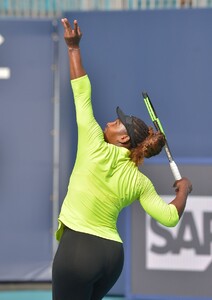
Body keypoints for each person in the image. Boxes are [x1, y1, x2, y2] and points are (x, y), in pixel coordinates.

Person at [52, 18, 192, 300]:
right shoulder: (139, 182)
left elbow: (81, 92)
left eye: (117, 122)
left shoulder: (93, 143)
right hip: (112, 258)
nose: (110, 121)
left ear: (124, 138)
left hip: (78, 252)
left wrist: (73, 48)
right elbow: (169, 217)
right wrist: (184, 191)